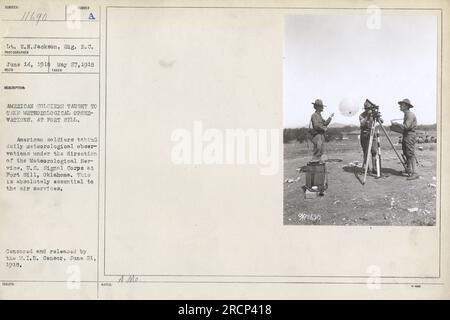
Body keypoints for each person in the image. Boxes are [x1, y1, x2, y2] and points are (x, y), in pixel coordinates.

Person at [398, 98, 419, 180]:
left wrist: (396, 125)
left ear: (406, 106)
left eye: (402, 105)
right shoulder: (406, 114)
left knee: (410, 153)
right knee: (406, 152)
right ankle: (409, 169)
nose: (400, 106)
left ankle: (415, 173)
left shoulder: (410, 115)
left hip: (410, 135)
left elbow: (406, 126)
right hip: (406, 135)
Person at [359, 100, 378, 174]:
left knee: (374, 152)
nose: (369, 110)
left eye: (370, 108)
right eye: (368, 108)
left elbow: (381, 121)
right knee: (366, 153)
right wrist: (368, 116)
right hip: (365, 135)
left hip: (373, 134)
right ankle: (367, 168)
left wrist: (376, 115)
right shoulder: (361, 115)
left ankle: (375, 168)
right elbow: (362, 124)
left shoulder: (373, 114)